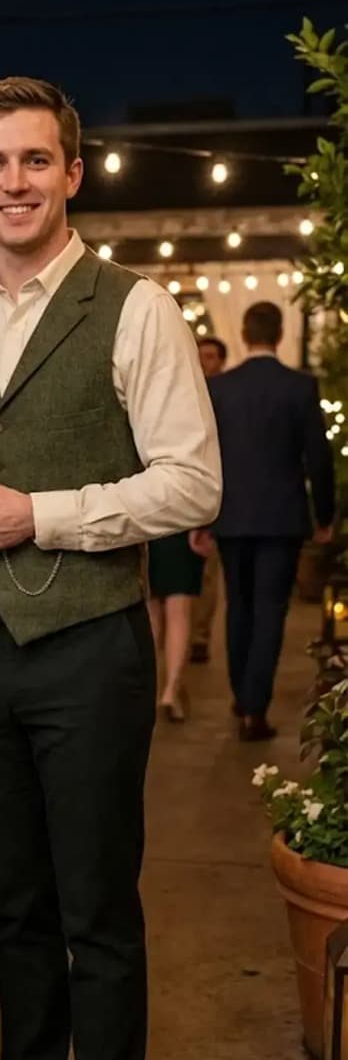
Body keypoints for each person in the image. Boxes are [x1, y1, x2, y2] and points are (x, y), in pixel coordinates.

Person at [0, 77, 221, 1060]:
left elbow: (191, 484)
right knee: (14, 905)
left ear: (73, 172)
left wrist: (41, 511)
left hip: (92, 649)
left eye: (34, 160)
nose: (14, 181)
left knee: (98, 908)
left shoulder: (133, 307)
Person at [207, 300, 335, 742]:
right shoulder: (299, 386)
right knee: (270, 612)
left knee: (238, 607)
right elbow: (317, 457)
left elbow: (208, 460)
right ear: (279, 335)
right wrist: (325, 514)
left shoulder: (220, 389)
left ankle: (243, 696)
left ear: (244, 333)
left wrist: (202, 519)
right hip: (281, 517)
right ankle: (254, 710)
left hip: (230, 515)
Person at [190, 337, 228, 664]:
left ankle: (200, 636)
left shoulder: (225, 396)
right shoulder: (179, 391)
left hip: (212, 498)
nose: (206, 363)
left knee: (207, 574)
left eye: (211, 357)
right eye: (201, 356)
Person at [146, 525, 209, 722]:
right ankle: (171, 691)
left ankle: (148, 692)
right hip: (179, 523)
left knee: (150, 615)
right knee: (179, 612)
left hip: (143, 526)